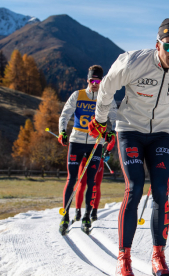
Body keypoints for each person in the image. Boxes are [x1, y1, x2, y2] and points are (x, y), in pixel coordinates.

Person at [89, 17, 169, 276]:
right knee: (135, 187)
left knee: (161, 191)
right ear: (157, 44)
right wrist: (101, 119)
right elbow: (106, 88)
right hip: (130, 130)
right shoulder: (132, 62)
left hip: (162, 132)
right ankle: (124, 259)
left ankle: (158, 256)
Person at [58, 65, 117, 235]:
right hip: (76, 141)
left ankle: (87, 216)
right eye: (92, 80)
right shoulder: (78, 95)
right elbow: (65, 114)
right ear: (88, 80)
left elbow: (114, 116)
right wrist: (63, 131)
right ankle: (65, 216)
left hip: (95, 143)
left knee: (92, 182)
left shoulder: (105, 97)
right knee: (72, 179)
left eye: (98, 81)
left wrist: (111, 131)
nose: (95, 84)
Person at [74, 133, 116, 222]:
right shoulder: (85, 128)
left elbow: (112, 139)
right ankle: (78, 211)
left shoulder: (101, 129)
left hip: (98, 160)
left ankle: (94, 211)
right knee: (81, 184)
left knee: (96, 185)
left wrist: (107, 151)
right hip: (85, 160)